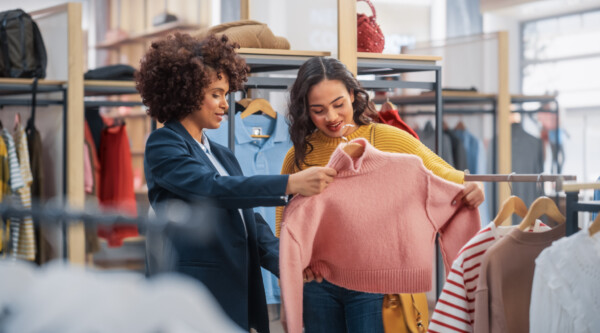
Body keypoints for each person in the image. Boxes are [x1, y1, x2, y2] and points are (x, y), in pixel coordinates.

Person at [137, 33, 337, 333]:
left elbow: (249, 221)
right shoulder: (163, 143)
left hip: (236, 288)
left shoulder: (221, 153)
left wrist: (290, 262)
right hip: (197, 293)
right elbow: (212, 188)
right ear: (186, 92)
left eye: (226, 95)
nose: (225, 105)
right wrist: (289, 183)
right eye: (216, 94)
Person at [276, 57, 485, 333]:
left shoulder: (388, 138)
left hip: (374, 284)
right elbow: (284, 222)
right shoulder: (299, 155)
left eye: (339, 104)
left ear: (352, 95)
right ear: (306, 110)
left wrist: (472, 186)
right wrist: (293, 274)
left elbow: (445, 175)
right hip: (317, 285)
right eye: (319, 110)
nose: (332, 117)